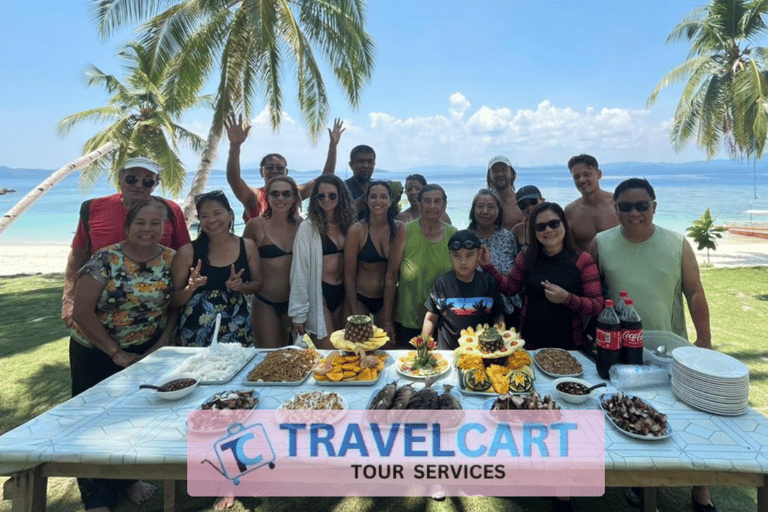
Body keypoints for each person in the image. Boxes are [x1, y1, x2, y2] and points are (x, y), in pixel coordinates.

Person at [590, 177, 716, 512]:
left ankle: (701, 491)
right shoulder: (601, 243)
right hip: (621, 350)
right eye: (626, 206)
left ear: (654, 207)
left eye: (641, 205)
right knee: (633, 416)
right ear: (615, 208)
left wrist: (704, 339)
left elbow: (695, 292)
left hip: (670, 350)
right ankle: (640, 487)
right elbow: (591, 290)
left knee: (688, 416)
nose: (634, 213)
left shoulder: (677, 243)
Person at [70, 199, 178, 511]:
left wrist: (162, 344)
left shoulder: (171, 258)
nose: (148, 229)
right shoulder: (106, 258)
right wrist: (115, 352)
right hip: (95, 350)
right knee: (92, 423)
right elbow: (82, 312)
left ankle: (129, 480)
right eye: (141, 222)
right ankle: (96, 496)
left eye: (155, 223)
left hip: (144, 354)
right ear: (127, 226)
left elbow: (174, 306)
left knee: (132, 421)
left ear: (164, 228)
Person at [62, 157, 190, 327]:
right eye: (132, 178)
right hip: (97, 316)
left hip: (153, 319)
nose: (138, 185)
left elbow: (184, 252)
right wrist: (69, 298)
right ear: (120, 177)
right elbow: (78, 255)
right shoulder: (93, 207)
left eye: (147, 181)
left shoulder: (170, 210)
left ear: (155, 184)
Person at [480, 202, 604, 350]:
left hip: (568, 344)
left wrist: (567, 298)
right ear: (534, 231)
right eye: (541, 227)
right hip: (529, 342)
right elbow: (509, 288)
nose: (548, 230)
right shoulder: (526, 257)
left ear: (564, 224)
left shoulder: (583, 260)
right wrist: (488, 267)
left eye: (554, 224)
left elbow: (597, 306)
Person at [171, 191, 262, 347]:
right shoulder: (188, 252)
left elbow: (258, 285)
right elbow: (173, 300)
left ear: (230, 215)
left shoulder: (247, 246)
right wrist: (190, 288)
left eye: (217, 213)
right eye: (205, 216)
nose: (212, 220)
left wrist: (241, 286)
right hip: (196, 332)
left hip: (237, 329)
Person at [224, 112, 344, 221]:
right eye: (270, 167)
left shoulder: (294, 193)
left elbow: (325, 179)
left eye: (280, 168)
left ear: (286, 172)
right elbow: (234, 178)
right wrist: (235, 146)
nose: (275, 171)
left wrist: (333, 147)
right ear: (262, 172)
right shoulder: (254, 196)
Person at [383, 184, 458, 346]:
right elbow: (390, 277)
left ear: (444, 205)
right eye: (427, 201)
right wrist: (387, 320)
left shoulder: (453, 234)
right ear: (419, 203)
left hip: (442, 321)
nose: (432, 206)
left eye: (437, 201)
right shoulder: (405, 230)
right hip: (407, 319)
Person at [289, 175, 355, 348]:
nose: (327, 200)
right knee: (331, 354)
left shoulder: (349, 224)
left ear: (341, 196)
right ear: (315, 198)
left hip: (344, 295)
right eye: (321, 196)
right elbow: (299, 271)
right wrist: (298, 314)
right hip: (320, 296)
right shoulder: (308, 228)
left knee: (349, 352)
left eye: (332, 195)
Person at [243, 176, 303, 348]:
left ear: (294, 198)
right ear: (267, 197)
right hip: (265, 302)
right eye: (275, 194)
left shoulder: (301, 224)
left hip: (294, 305)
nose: (280, 199)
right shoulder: (255, 225)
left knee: (290, 361)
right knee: (268, 359)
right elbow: (242, 260)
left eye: (286, 194)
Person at [422, 230, 503, 350]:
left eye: (469, 255)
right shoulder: (442, 283)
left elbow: (498, 317)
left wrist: (497, 347)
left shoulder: (489, 282)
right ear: (450, 255)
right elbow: (431, 318)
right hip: (447, 352)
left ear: (479, 254)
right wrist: (423, 348)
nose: (463, 262)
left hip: (481, 351)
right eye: (457, 256)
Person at [344, 181, 405, 324]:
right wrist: (354, 315)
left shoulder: (399, 229)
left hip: (387, 298)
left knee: (388, 344)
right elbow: (349, 275)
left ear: (390, 201)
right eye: (373, 196)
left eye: (383, 197)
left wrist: (388, 321)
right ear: (366, 200)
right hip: (359, 297)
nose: (378, 201)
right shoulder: (357, 230)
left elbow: (392, 275)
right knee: (358, 346)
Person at [467, 189, 521, 329]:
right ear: (473, 210)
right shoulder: (466, 238)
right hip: (475, 307)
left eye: (491, 207)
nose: (485, 211)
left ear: (499, 211)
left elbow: (516, 273)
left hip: (507, 306)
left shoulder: (508, 237)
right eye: (480, 206)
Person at [564, 154, 619, 252]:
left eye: (586, 174)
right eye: (576, 177)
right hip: (586, 266)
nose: (581, 180)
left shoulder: (618, 204)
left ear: (599, 174)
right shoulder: (570, 211)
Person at [486, 155, 524, 230]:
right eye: (495, 170)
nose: (500, 174)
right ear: (489, 176)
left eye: (504, 170)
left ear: (512, 174)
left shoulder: (522, 203)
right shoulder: (484, 205)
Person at [511, 185, 545, 249]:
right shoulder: (517, 230)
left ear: (542, 200)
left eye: (533, 201)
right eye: (523, 205)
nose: (529, 207)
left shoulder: (555, 225)